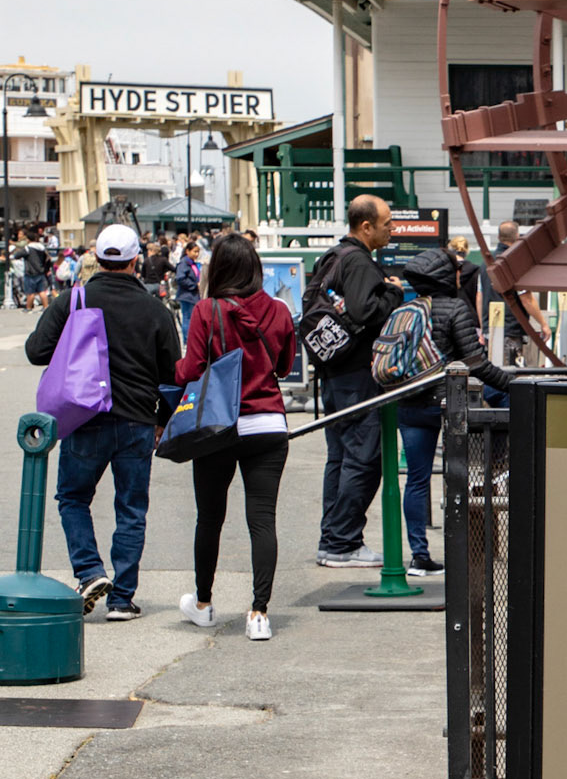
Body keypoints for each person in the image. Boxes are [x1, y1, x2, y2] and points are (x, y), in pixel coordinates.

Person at [25, 222, 181, 618]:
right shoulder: (155, 309)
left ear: (96, 257)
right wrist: (162, 420)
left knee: (73, 498)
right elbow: (173, 375)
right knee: (131, 508)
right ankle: (122, 599)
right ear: (135, 260)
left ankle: (89, 570)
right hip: (138, 421)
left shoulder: (74, 300)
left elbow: (36, 351)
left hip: (84, 417)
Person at [175, 232, 297, 642]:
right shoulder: (279, 309)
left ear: (220, 270)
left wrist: (171, 371)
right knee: (262, 520)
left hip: (219, 427)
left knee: (210, 518)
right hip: (268, 425)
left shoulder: (206, 310)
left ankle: (204, 604)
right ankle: (259, 614)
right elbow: (284, 366)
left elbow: (193, 369)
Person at [393, 247, 524, 571]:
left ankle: (419, 556)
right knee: (459, 475)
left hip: (409, 402)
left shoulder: (406, 309)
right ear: (445, 276)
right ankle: (496, 470)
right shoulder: (455, 308)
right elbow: (475, 363)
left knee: (417, 480)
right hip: (449, 404)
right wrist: (513, 384)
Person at [311, 194, 403, 566]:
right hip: (356, 374)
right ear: (366, 227)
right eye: (387, 223)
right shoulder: (360, 262)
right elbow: (365, 311)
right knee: (364, 457)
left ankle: (332, 539)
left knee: (339, 457)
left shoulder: (331, 257)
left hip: (332, 371)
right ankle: (343, 542)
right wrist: (394, 292)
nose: (392, 229)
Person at [492, 219, 551, 367]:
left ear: (499, 237)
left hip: (489, 329)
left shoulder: (486, 263)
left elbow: (479, 297)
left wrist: (483, 326)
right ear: (517, 236)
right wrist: (543, 324)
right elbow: (527, 299)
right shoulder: (514, 263)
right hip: (510, 329)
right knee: (510, 373)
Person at [174, 237, 202, 334]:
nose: (197, 254)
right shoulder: (183, 264)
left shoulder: (193, 263)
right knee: (187, 318)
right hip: (186, 295)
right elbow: (180, 278)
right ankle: (187, 339)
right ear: (187, 251)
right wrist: (194, 285)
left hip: (194, 295)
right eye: (195, 252)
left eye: (198, 252)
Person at [21, 231, 49, 309]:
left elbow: (17, 255)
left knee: (30, 293)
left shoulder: (27, 248)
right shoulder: (42, 248)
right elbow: (47, 258)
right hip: (41, 271)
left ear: (28, 239)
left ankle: (29, 308)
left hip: (30, 273)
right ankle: (46, 307)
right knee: (42, 291)